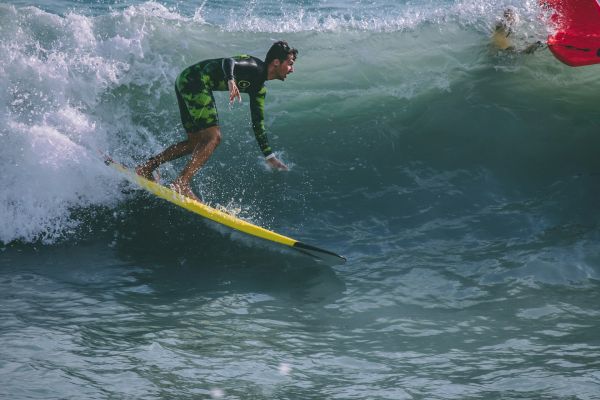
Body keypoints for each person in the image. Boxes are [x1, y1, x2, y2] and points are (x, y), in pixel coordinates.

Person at [136, 41, 298, 202]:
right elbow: (229, 61)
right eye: (290, 64)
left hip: (186, 80)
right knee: (214, 137)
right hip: (195, 80)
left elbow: (258, 123)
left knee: (195, 143)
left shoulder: (259, 89)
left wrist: (269, 156)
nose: (292, 69)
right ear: (276, 62)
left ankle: (147, 167)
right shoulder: (255, 66)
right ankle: (181, 183)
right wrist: (230, 79)